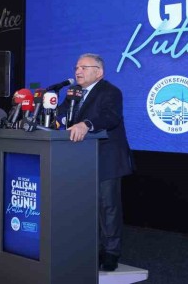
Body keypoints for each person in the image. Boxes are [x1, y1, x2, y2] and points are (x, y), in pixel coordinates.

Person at [66, 53, 134, 272]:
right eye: (76, 67)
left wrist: (86, 124)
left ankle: (111, 252)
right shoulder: (73, 94)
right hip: (81, 158)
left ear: (99, 72)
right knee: (84, 207)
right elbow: (63, 117)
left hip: (107, 157)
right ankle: (89, 249)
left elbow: (110, 117)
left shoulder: (110, 92)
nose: (78, 71)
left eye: (83, 67)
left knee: (108, 207)